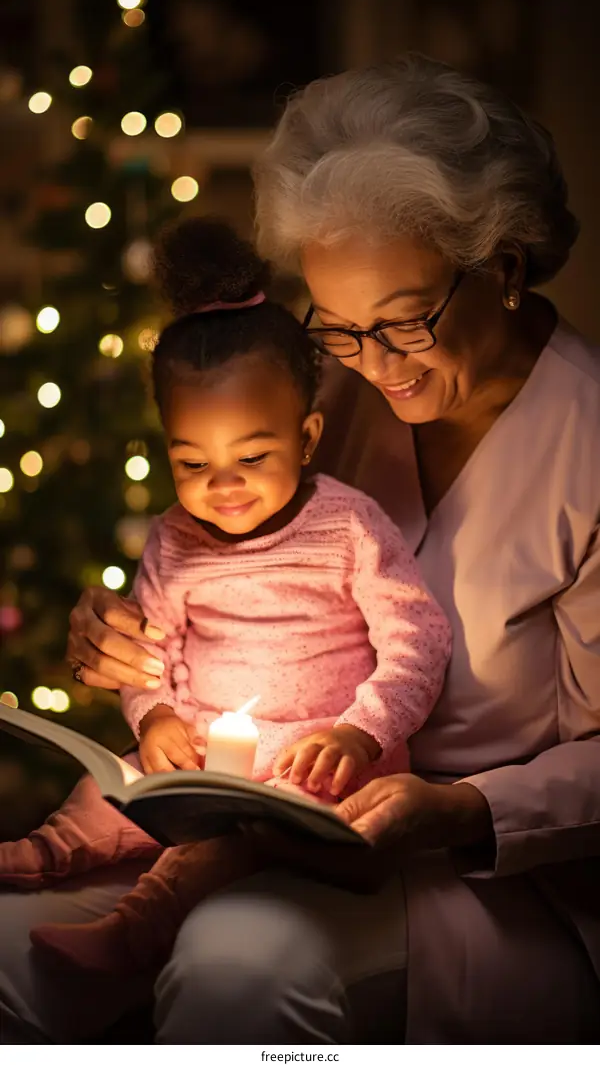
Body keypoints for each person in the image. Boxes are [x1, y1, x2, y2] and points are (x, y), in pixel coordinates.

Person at [1, 51, 600, 1044]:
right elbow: (217, 557)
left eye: (404, 322)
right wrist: (128, 638)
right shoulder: (332, 396)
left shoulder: (585, 443)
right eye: (340, 328)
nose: (372, 366)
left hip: (480, 878)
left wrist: (453, 807)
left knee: (234, 959)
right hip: (253, 819)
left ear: (501, 267)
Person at [0, 221, 449, 1000]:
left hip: (317, 769)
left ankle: (136, 928)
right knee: (111, 794)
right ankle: (41, 851)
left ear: (307, 437)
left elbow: (419, 642)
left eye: (251, 456)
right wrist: (154, 716)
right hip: (203, 756)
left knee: (222, 843)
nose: (224, 484)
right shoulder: (173, 540)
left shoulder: (347, 528)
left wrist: (361, 730)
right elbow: (151, 649)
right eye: (191, 462)